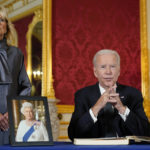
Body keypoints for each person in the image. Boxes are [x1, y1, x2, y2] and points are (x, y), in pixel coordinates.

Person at [68, 49, 150, 141]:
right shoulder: (82, 95)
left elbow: (146, 133)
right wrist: (97, 107)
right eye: (103, 67)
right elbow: (73, 134)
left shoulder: (133, 94)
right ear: (95, 72)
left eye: (112, 66)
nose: (108, 72)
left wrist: (122, 109)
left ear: (118, 71)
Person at [0, 6, 31, 145]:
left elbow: (26, 86)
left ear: (7, 26)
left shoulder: (16, 53)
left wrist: (13, 110)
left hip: (10, 120)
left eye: (1, 20)